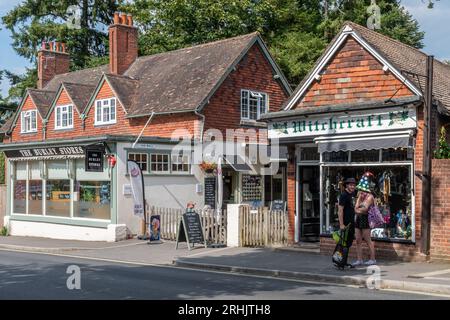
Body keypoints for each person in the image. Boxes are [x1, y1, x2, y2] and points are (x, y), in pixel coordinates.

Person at [352, 172, 377, 266]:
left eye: (363, 189)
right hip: (358, 219)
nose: (361, 191)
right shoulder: (360, 196)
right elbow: (356, 208)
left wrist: (358, 209)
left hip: (366, 219)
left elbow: (364, 209)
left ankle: (373, 259)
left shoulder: (370, 197)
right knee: (358, 240)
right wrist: (359, 200)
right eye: (360, 189)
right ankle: (359, 259)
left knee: (367, 240)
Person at [337, 177, 356, 266]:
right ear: (347, 185)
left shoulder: (351, 194)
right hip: (345, 223)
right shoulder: (343, 195)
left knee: (348, 243)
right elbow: (340, 210)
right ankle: (342, 262)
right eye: (351, 185)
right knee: (345, 243)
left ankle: (343, 261)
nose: (352, 186)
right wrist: (341, 224)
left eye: (353, 185)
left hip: (351, 223)